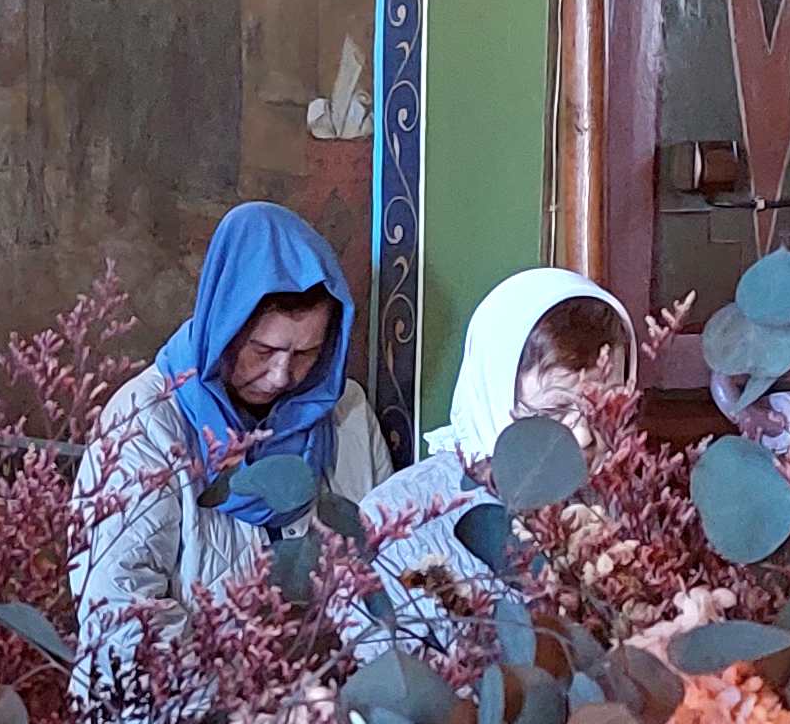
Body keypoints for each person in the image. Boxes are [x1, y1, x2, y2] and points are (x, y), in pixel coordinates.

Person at [70, 201, 393, 639]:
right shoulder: (145, 422)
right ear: (223, 326)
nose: (281, 376)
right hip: (190, 681)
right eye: (263, 351)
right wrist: (242, 680)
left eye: (306, 354)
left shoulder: (347, 414)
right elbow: (118, 615)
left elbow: (384, 575)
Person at [363, 268, 636, 640]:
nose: (584, 435)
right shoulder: (396, 520)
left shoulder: (635, 508)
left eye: (604, 408)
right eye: (552, 412)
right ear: (492, 395)